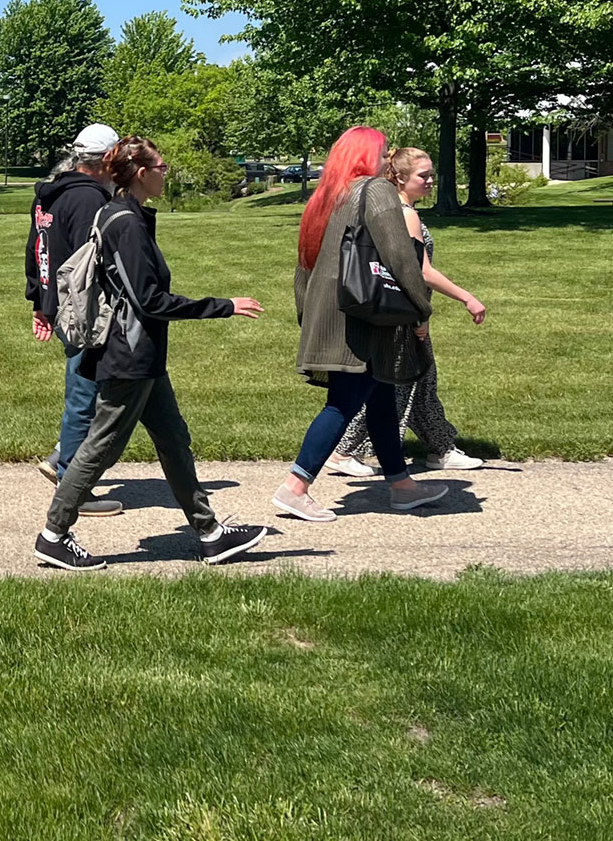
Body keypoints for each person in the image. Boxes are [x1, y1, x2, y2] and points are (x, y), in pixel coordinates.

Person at [34, 136, 269, 571]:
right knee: (100, 446)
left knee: (174, 440)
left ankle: (210, 533)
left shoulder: (123, 214)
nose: (166, 173)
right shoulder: (125, 222)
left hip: (141, 354)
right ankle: (54, 535)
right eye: (161, 167)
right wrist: (224, 306)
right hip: (129, 354)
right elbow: (150, 300)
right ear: (141, 174)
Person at [272, 127, 449, 522]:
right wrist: (421, 309)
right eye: (383, 151)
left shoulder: (326, 196)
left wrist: (309, 318)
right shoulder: (375, 191)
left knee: (381, 396)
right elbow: (401, 256)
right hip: (363, 318)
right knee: (343, 403)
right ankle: (295, 487)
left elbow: (304, 268)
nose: (387, 158)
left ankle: (402, 486)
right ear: (366, 156)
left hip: (331, 315)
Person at [328, 147, 488, 474]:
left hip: (405, 311)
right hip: (404, 315)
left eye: (432, 174)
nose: (431, 181)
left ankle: (439, 447)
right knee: (394, 386)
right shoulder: (405, 214)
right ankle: (344, 450)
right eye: (423, 176)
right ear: (400, 178)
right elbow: (421, 272)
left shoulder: (399, 210)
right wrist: (465, 298)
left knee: (422, 383)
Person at [25, 123, 122, 517]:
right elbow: (91, 262)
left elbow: (35, 248)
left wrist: (39, 299)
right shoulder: (87, 199)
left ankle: (62, 458)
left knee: (91, 388)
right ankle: (72, 481)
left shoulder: (53, 191)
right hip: (81, 308)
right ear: (106, 160)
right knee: (87, 393)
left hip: (57, 302)